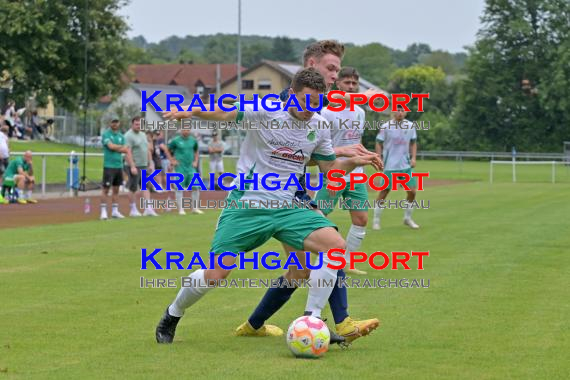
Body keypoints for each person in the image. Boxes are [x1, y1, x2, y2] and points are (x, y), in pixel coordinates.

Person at [154, 68, 382, 344]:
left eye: (317, 103)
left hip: (288, 206)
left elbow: (329, 167)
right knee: (216, 273)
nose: (311, 108)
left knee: (335, 247)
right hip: (248, 204)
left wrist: (354, 162)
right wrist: (190, 110)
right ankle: (173, 314)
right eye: (306, 101)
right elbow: (224, 111)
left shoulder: (319, 125)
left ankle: (312, 321)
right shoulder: (266, 111)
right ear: (292, 95)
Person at [236, 41, 380, 344]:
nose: (335, 76)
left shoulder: (319, 104)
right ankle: (336, 323)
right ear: (311, 65)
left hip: (295, 192)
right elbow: (292, 153)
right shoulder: (285, 105)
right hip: (269, 195)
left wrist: (350, 158)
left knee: (303, 268)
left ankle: (254, 325)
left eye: (338, 70)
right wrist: (343, 152)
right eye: (331, 69)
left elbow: (313, 155)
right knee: (328, 246)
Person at [316, 67, 370, 276]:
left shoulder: (360, 111)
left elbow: (358, 140)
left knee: (361, 220)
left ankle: (347, 264)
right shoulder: (327, 111)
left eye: (354, 84)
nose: (350, 86)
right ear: (338, 84)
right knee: (319, 215)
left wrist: (368, 157)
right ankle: (309, 258)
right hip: (335, 172)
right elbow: (322, 145)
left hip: (357, 174)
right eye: (346, 83)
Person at [372, 105, 419, 230]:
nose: (400, 112)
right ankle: (376, 220)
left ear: (406, 112)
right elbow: (378, 141)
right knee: (384, 192)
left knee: (412, 191)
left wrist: (413, 157)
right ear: (393, 112)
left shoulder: (410, 126)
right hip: (390, 165)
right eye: (397, 110)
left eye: (402, 110)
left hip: (405, 165)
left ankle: (407, 218)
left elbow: (413, 142)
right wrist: (379, 157)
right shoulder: (386, 127)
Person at [100, 119, 135, 220]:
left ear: (119, 123)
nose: (115, 124)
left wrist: (118, 148)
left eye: (116, 122)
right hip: (109, 166)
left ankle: (115, 211)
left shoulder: (121, 136)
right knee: (106, 189)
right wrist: (120, 147)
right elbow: (110, 146)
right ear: (110, 123)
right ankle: (103, 211)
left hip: (119, 166)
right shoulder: (106, 134)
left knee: (116, 190)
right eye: (113, 122)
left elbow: (126, 150)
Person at [124, 116, 158, 217]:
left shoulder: (143, 135)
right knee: (133, 188)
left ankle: (148, 208)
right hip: (134, 165)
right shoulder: (128, 136)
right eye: (136, 124)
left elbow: (147, 149)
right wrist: (132, 166)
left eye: (140, 124)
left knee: (146, 187)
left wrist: (150, 162)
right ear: (132, 124)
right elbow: (127, 152)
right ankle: (133, 209)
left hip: (144, 166)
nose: (138, 126)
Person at [164, 128, 203, 215]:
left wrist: (196, 161)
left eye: (188, 130)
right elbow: (167, 150)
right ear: (181, 130)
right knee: (179, 188)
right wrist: (172, 160)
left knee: (196, 186)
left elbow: (196, 151)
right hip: (180, 168)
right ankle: (181, 210)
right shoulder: (175, 141)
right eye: (184, 130)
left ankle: (195, 208)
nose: (186, 131)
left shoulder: (193, 140)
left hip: (191, 168)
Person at [0, 124, 9, 204]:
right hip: (1, 157)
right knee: (1, 175)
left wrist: (8, 151)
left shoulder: (5, 136)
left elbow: (6, 144)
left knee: (6, 175)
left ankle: (3, 194)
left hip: (5, 157)